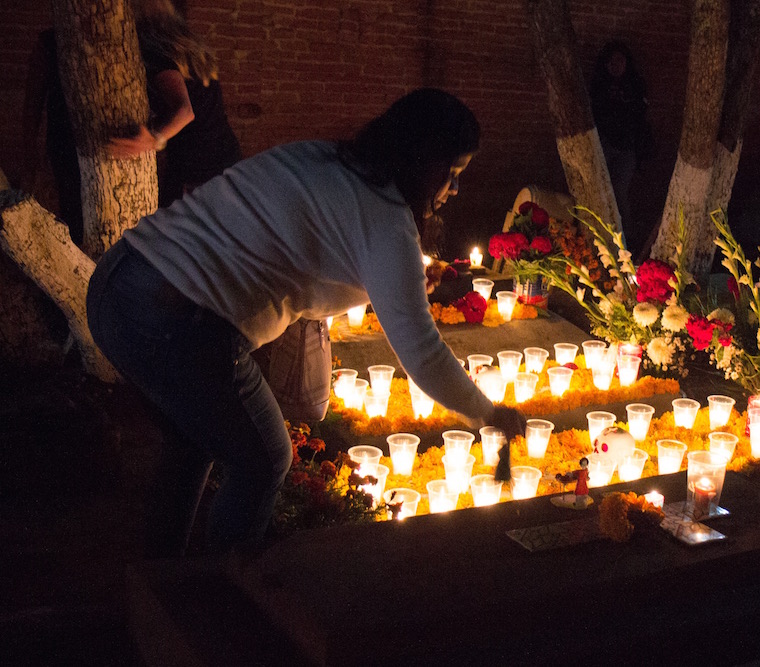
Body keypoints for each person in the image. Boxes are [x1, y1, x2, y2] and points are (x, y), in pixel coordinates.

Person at [88, 88, 526, 556]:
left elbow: (317, 253)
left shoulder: (323, 159)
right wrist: (488, 413)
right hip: (175, 315)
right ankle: (227, 584)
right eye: (452, 174)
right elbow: (422, 352)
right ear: (423, 161)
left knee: (195, 440)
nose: (453, 190)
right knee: (265, 457)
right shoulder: (386, 221)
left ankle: (163, 574)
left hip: (118, 282)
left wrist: (404, 281)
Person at [108, 0, 241, 207]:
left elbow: (185, 111)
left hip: (197, 167)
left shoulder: (157, 55)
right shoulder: (188, 50)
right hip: (222, 155)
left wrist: (153, 139)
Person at [19, 28, 84, 244]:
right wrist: (30, 150)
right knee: (71, 213)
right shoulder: (52, 41)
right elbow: (33, 101)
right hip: (64, 146)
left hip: (95, 148)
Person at [590, 40, 650, 251]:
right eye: (612, 61)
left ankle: (625, 237)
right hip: (604, 144)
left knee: (619, 190)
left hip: (626, 147)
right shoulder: (600, 85)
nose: (616, 66)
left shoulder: (633, 85)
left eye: (620, 61)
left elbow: (639, 115)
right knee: (599, 189)